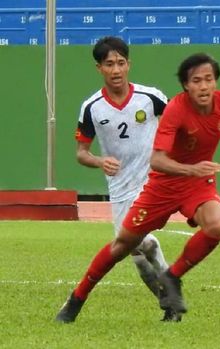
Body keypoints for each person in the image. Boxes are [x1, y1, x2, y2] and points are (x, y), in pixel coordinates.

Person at [56, 52, 220, 323]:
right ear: (186, 85)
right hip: (162, 186)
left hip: (198, 184)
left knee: (217, 224)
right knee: (123, 246)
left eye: (209, 79)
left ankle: (172, 276)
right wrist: (192, 169)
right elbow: (158, 160)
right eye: (197, 81)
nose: (204, 86)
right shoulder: (175, 108)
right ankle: (77, 298)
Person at [73, 36, 173, 320]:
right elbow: (81, 152)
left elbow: (176, 122)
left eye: (120, 63)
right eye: (109, 64)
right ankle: (169, 302)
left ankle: (172, 300)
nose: (115, 70)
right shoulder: (92, 107)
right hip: (119, 189)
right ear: (99, 69)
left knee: (142, 242)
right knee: (137, 252)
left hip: (151, 182)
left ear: (129, 64)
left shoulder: (151, 97)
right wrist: (98, 160)